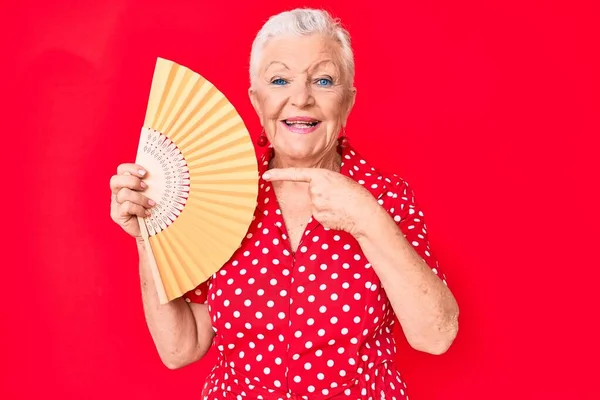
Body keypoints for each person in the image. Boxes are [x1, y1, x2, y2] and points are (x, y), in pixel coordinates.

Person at [109, 8, 459, 400]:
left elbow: (436, 336)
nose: (301, 98)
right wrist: (147, 236)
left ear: (348, 101)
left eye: (323, 80)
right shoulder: (218, 193)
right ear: (256, 101)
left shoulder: (386, 196)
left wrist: (365, 216)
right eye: (279, 80)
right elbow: (181, 347)